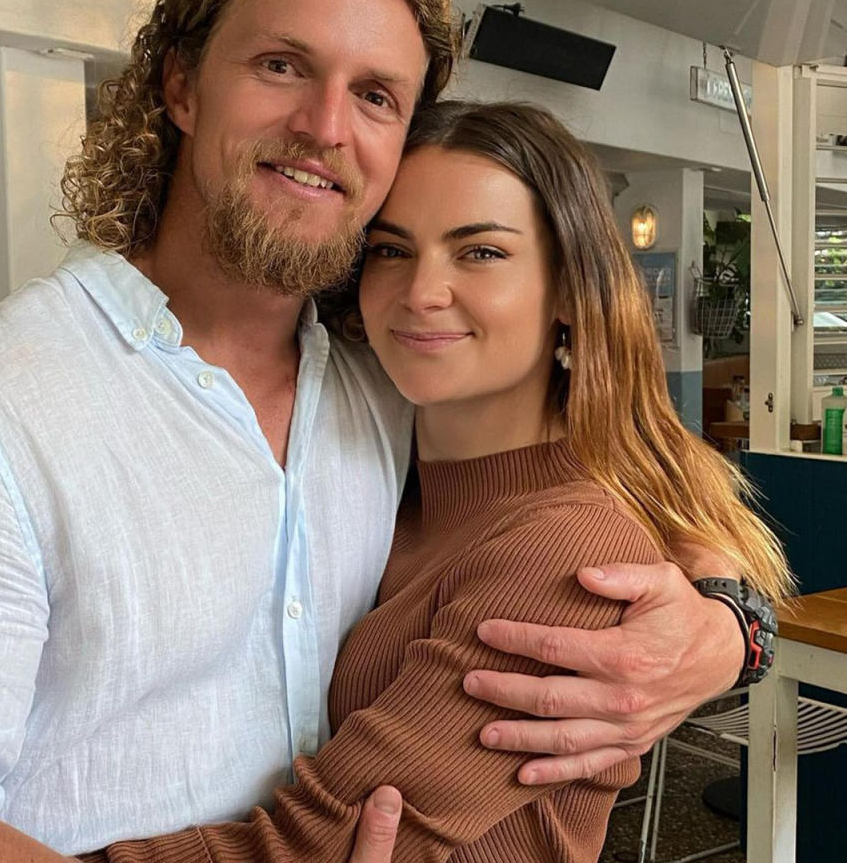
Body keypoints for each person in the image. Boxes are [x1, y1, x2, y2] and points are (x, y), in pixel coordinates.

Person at [0, 0, 776, 860]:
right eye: (281, 66)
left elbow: (624, 486)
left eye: (378, 96)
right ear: (180, 84)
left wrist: (731, 628)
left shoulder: (382, 381)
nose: (323, 128)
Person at [81, 102, 789, 863]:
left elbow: (317, 844)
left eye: (480, 252)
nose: (421, 292)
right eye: (391, 250)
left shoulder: (567, 544)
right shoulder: (378, 468)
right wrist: (737, 625)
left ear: (567, 292)